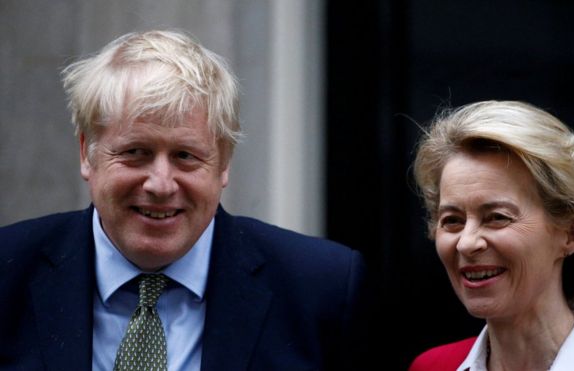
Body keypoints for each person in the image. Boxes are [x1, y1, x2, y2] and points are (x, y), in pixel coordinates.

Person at [0, 29, 367, 370]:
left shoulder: (323, 289)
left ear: (224, 163)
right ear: (87, 153)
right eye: (136, 152)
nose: (160, 184)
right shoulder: (8, 272)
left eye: (185, 156)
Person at [409, 101, 574, 370]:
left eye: (497, 217)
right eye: (452, 221)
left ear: (571, 234)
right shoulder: (431, 366)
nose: (467, 243)